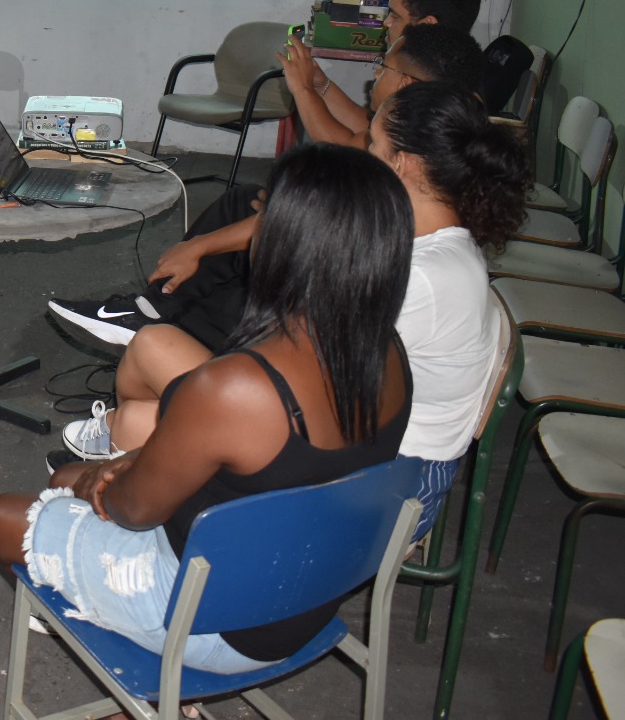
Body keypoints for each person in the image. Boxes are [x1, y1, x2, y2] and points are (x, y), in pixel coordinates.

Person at [0, 144, 414, 674]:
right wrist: (114, 469)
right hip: (308, 591)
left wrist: (102, 478)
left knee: (2, 515)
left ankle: (137, 652)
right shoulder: (389, 353)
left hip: (214, 623)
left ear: (286, 243)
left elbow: (133, 511)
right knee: (67, 477)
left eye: (265, 219)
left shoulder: (235, 386)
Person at [81, 83, 528, 530]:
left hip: (378, 480)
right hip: (362, 438)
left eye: (372, 143)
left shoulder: (420, 276)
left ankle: (117, 479)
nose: (361, 151)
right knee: (151, 358)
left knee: (143, 405)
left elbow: (302, 382)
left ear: (402, 163)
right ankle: (121, 457)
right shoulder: (433, 243)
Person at [48, 23, 486, 354]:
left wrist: (201, 244)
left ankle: (163, 333)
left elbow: (331, 185)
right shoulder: (431, 139)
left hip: (326, 368)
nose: (375, 72)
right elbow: (354, 142)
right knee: (244, 204)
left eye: (383, 65)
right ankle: (152, 314)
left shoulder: (406, 189)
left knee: (256, 270)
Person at [278, 0, 483, 149]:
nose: (387, 23)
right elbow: (370, 129)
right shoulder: (448, 73)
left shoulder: (431, 97)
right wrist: (321, 85)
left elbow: (351, 147)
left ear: (427, 25)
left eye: (395, 16)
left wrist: (302, 89)